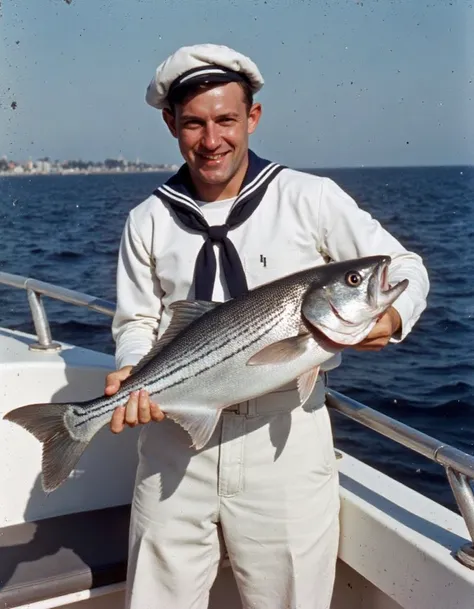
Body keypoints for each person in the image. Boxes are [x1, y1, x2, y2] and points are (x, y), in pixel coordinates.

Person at [105, 43, 429, 609]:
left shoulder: (310, 197)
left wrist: (394, 317)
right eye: (194, 124)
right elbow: (137, 320)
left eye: (227, 120)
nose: (212, 141)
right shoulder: (147, 219)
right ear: (170, 125)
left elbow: (403, 268)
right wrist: (132, 368)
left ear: (252, 117)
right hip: (173, 440)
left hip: (286, 439)